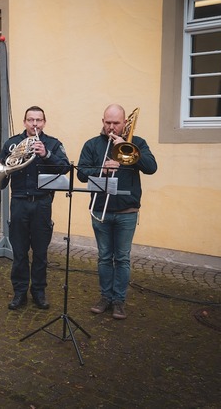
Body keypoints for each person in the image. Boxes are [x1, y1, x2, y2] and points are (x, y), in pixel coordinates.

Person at [77, 103, 157, 320]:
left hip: (127, 211)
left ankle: (119, 301)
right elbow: (82, 174)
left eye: (116, 123)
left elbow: (151, 168)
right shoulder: (92, 145)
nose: (111, 127)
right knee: (104, 257)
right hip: (100, 210)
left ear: (125, 123)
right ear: (103, 121)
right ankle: (105, 297)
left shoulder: (137, 143)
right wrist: (102, 169)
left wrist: (127, 146)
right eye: (108, 122)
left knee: (121, 258)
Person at [0, 106, 70, 311]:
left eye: (39, 120)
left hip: (42, 203)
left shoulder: (53, 144)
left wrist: (46, 154)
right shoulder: (12, 143)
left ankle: (39, 291)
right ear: (24, 122)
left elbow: (64, 167)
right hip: (19, 202)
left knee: (40, 252)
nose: (35, 124)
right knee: (19, 252)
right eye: (31, 120)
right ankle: (19, 292)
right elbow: (2, 171)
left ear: (44, 123)